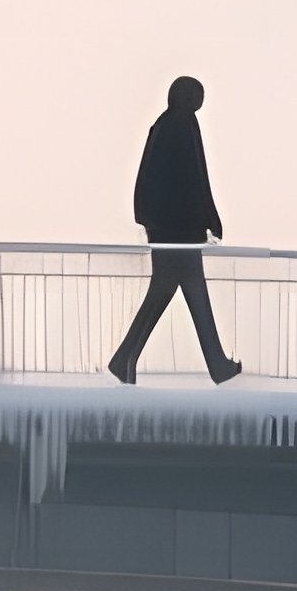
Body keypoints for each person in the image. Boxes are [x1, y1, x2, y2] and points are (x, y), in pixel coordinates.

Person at [106, 76, 241, 385]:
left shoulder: (170, 125)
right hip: (178, 233)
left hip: (171, 231)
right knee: (193, 292)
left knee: (163, 294)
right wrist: (208, 218)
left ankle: (124, 359)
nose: (200, 100)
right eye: (196, 94)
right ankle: (217, 365)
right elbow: (193, 181)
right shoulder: (178, 127)